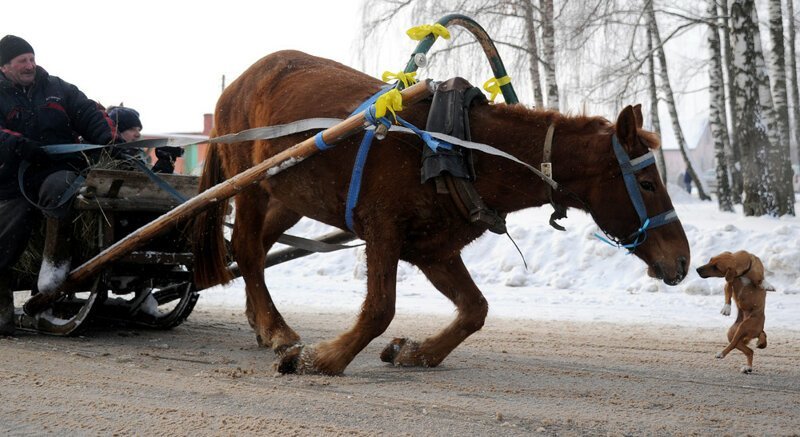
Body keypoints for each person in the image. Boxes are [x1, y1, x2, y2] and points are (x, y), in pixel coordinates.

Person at [0, 35, 122, 333]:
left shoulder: (57, 88)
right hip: (10, 178)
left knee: (63, 187)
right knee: (10, 228)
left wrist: (108, 140)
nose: (30, 65)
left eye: (32, 58)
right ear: (4, 67)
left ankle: (52, 273)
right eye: (22, 61)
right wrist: (16, 145)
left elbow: (90, 114)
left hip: (56, 170)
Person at [106, 105, 184, 174]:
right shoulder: (104, 157)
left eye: (139, 130)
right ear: (116, 131)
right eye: (131, 129)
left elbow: (146, 184)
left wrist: (165, 162)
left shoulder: (140, 156)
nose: (138, 134)